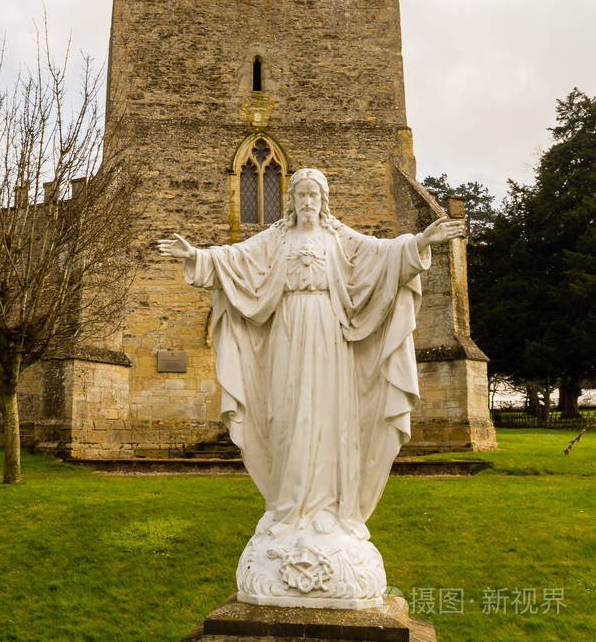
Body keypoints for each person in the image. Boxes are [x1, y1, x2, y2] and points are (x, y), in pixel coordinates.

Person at [158, 168, 464, 608]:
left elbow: (382, 254)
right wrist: (196, 255)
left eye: (313, 194)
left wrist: (422, 240)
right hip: (286, 330)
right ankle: (288, 510)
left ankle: (331, 513)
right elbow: (234, 259)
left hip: (329, 330)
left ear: (323, 199)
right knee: (287, 416)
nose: (306, 202)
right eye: (299, 194)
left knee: (328, 415)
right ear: (291, 200)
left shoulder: (339, 237)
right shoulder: (276, 239)